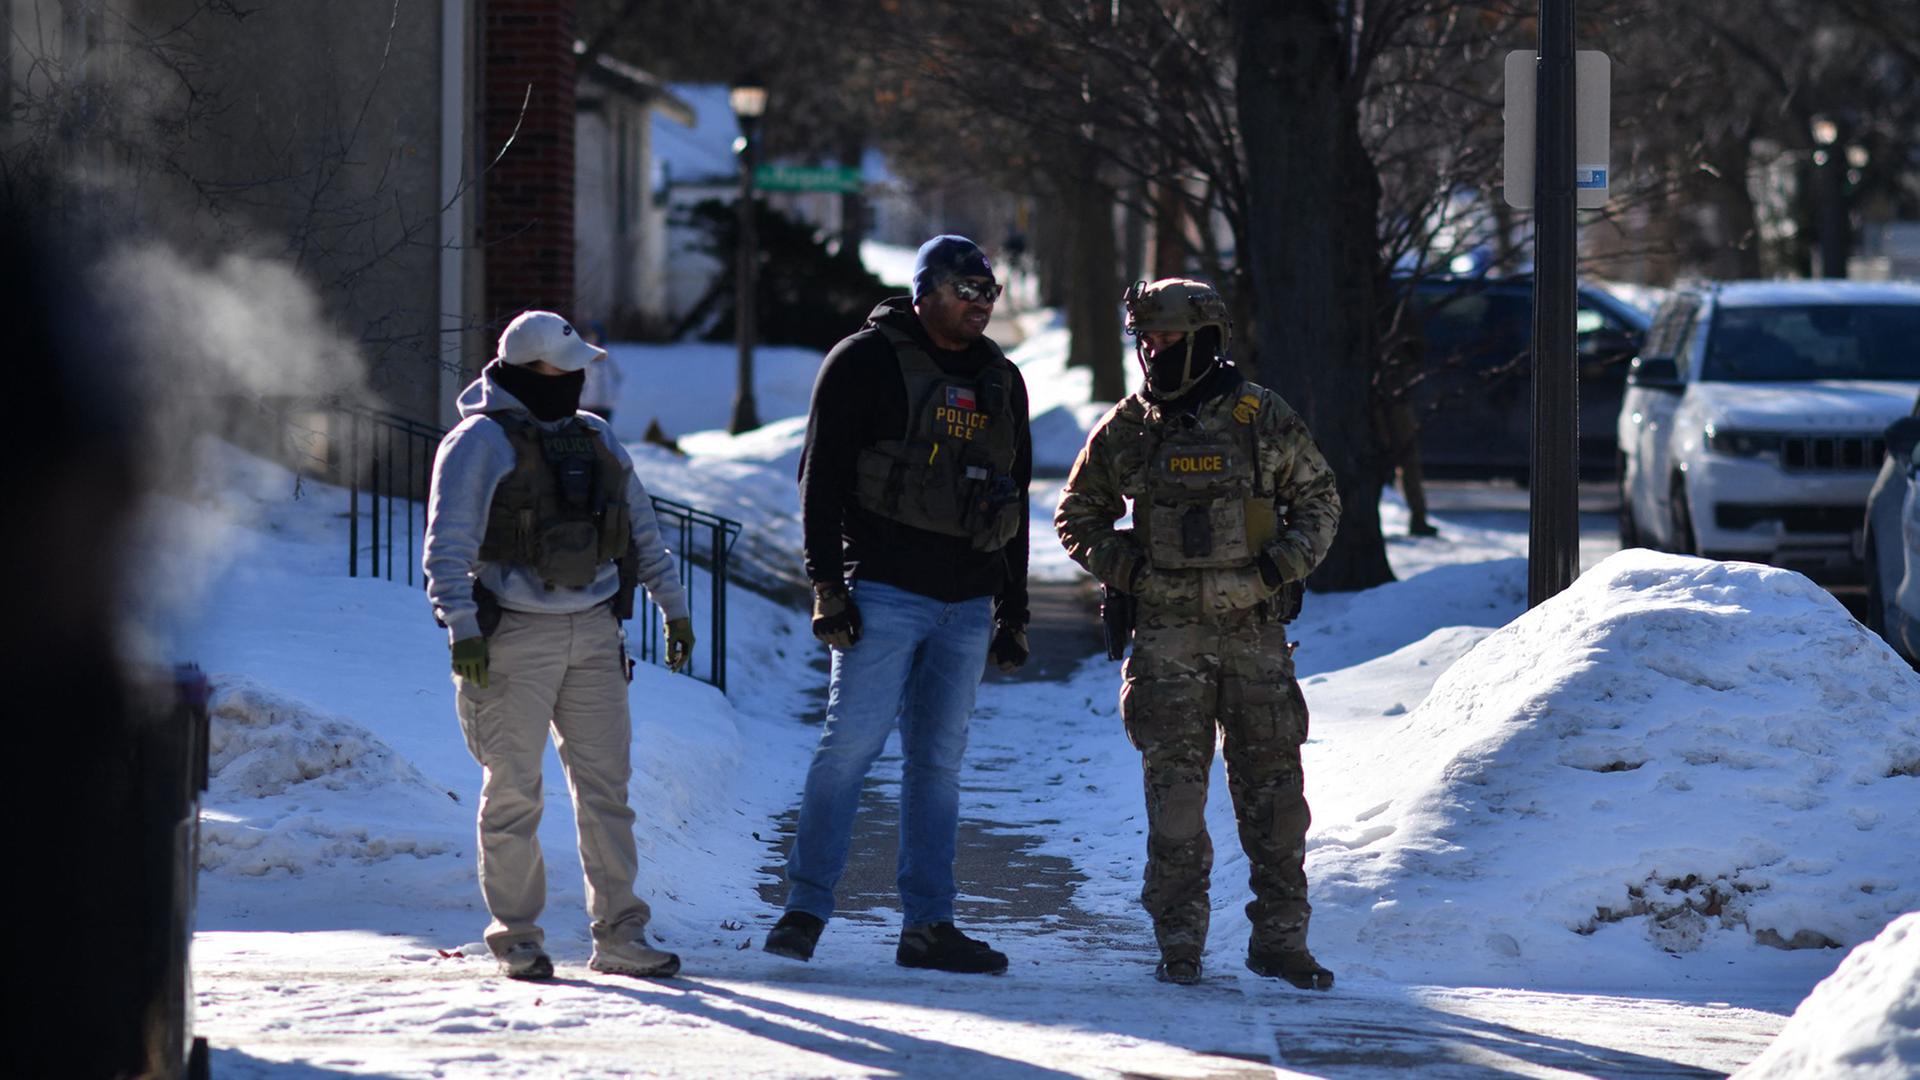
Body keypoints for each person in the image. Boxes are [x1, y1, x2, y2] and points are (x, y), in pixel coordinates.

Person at [1054, 278, 1342, 989]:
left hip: (1254, 638)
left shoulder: (1260, 417)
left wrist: (1276, 569)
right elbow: (1075, 514)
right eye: (1146, 341)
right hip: (1167, 644)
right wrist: (1131, 572)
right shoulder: (1132, 426)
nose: (1155, 353)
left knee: (1275, 802)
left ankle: (1281, 942)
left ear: (1205, 339)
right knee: (1177, 804)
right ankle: (1179, 942)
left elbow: (1321, 501)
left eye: (1168, 339)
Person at [763, 235, 1032, 973]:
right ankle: (805, 909)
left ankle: (928, 927)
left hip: (968, 600)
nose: (980, 303)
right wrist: (828, 584)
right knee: (849, 748)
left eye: (989, 291)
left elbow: (1018, 496)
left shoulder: (1002, 379)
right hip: (882, 590)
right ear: (925, 290)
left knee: (937, 764)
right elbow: (819, 480)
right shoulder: (863, 361)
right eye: (965, 289)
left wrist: (1014, 610)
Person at [424, 309, 697, 982]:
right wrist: (461, 629)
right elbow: (446, 546)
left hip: (597, 634)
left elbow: (642, 531)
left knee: (608, 791)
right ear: (532, 370)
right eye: (568, 369)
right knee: (514, 792)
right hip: (511, 639)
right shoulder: (478, 441)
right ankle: (517, 938)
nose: (580, 381)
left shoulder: (595, 437)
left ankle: (621, 936)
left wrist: (675, 610)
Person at [578, 318, 623, 427]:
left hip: (604, 404)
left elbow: (617, 376)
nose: (589, 338)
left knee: (602, 433)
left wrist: (612, 394)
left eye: (592, 335)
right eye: (588, 335)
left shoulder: (609, 355)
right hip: (585, 404)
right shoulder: (582, 354)